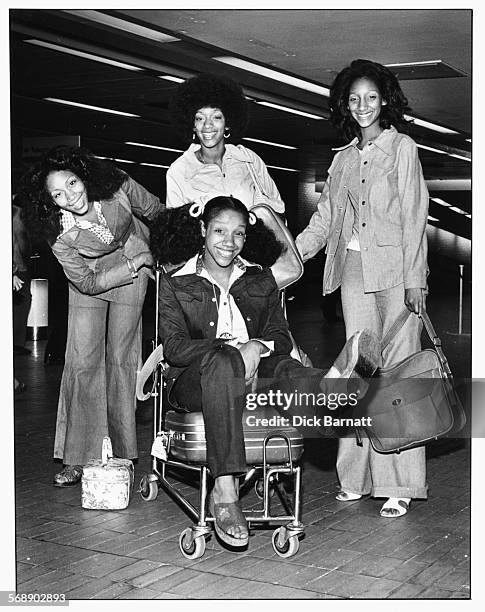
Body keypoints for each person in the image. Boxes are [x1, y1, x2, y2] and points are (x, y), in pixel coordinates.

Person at [152, 195, 380, 547]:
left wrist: (257, 347)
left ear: (247, 238)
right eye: (219, 231)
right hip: (198, 380)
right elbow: (176, 348)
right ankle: (225, 489)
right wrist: (232, 348)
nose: (229, 242)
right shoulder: (177, 282)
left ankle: (329, 392)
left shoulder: (260, 279)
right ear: (202, 230)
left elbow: (279, 337)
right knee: (224, 361)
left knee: (285, 366)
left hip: (257, 374)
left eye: (239, 234)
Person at [296, 59, 429, 518]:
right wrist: (293, 256)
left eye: (371, 97)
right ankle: (355, 476)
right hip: (354, 269)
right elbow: (327, 219)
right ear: (344, 106)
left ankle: (399, 485)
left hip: (395, 273)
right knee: (359, 371)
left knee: (399, 376)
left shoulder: (403, 148)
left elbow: (414, 217)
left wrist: (416, 280)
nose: (363, 106)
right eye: (354, 99)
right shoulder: (342, 159)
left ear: (385, 99)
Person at [21, 146, 164, 486]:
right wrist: (131, 266)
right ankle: (79, 457)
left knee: (121, 358)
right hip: (91, 277)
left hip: (134, 256)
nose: (70, 196)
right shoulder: (58, 234)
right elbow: (85, 282)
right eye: (57, 194)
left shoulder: (116, 185)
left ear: (83, 176)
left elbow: (156, 210)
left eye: (72, 183)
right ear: (49, 202)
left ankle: (121, 454)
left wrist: (168, 251)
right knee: (83, 360)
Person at [166, 73, 285, 214]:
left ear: (227, 123)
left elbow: (278, 208)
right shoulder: (179, 171)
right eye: (199, 118)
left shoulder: (248, 160)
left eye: (216, 117)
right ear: (192, 125)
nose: (207, 125)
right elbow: (175, 227)